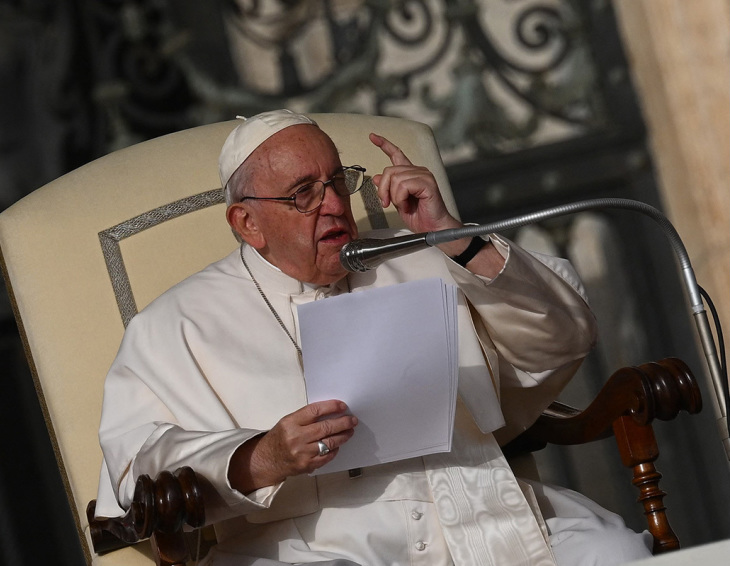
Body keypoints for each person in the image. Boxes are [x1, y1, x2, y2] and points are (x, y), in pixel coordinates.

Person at [95, 110, 652, 565]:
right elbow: (137, 464)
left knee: (614, 552)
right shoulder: (179, 323)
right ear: (247, 224)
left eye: (338, 180)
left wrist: (452, 239)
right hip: (314, 546)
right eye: (304, 194)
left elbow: (564, 335)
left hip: (479, 511)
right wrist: (260, 457)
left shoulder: (421, 256)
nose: (336, 204)